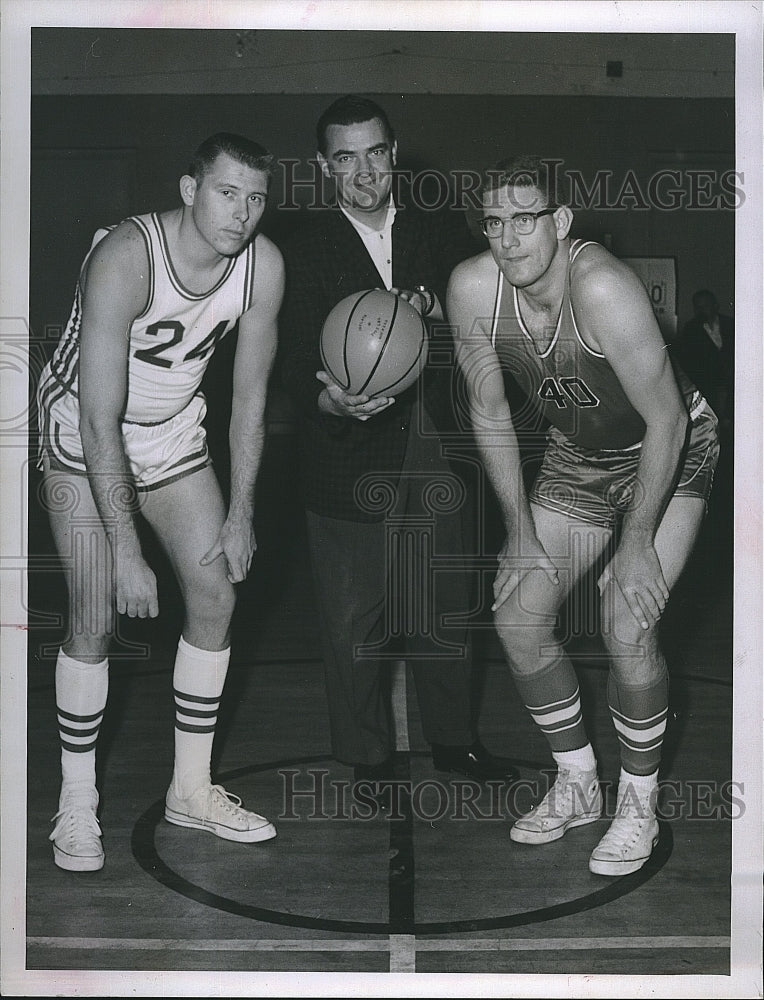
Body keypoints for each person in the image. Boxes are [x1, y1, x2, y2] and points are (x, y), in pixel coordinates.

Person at [447, 155, 719, 875]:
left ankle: (639, 805)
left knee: (627, 617)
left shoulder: (603, 288)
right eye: (495, 222)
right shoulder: (473, 290)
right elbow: (489, 410)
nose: (509, 240)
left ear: (561, 223)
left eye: (526, 220)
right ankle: (576, 783)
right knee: (517, 614)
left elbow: (667, 420)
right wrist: (519, 532)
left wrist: (636, 542)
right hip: (579, 455)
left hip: (670, 446)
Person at [37, 132, 285, 871]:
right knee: (94, 612)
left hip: (174, 432)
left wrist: (241, 512)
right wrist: (124, 549)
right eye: (226, 192)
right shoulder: (125, 256)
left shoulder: (262, 267)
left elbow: (249, 400)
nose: (242, 213)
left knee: (215, 595)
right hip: (84, 429)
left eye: (256, 198)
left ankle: (191, 789)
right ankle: (76, 803)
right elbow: (96, 417)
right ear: (189, 189)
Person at [278, 95, 514, 785]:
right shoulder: (303, 247)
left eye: (374, 153)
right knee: (353, 621)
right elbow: (290, 356)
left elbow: (481, 302)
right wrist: (329, 397)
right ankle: (367, 756)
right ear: (325, 166)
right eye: (344, 157)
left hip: (437, 438)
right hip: (345, 449)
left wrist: (425, 302)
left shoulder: (438, 227)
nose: (362, 171)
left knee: (442, 605)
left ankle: (453, 742)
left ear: (393, 152)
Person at [672, 289, 734, 426]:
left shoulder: (731, 325)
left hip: (732, 383)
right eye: (697, 307)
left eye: (705, 306)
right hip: (708, 383)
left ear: (715, 306)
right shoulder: (690, 329)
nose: (701, 310)